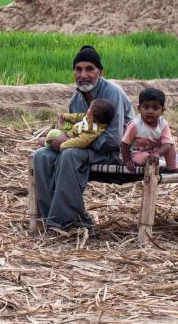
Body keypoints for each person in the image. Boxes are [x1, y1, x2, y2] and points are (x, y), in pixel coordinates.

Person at [31, 45, 132, 230]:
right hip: (84, 149)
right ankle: (51, 218)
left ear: (100, 72)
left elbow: (113, 140)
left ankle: (68, 221)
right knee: (42, 156)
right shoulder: (76, 99)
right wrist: (62, 138)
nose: (83, 74)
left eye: (89, 69)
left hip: (116, 154)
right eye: (78, 69)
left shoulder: (112, 92)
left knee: (70, 154)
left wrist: (72, 143)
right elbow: (75, 128)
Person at [121, 87, 178, 174]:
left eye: (155, 108)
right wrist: (127, 161)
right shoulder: (135, 124)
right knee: (146, 157)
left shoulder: (163, 124)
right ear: (139, 108)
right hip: (136, 154)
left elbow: (167, 144)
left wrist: (158, 153)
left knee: (171, 143)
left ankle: (172, 168)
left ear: (162, 111)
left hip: (154, 154)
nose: (150, 111)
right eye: (146, 107)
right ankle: (157, 164)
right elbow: (124, 144)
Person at [45, 99, 116, 152]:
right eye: (89, 108)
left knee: (53, 133)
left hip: (70, 137)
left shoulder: (93, 130)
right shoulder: (88, 117)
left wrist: (64, 143)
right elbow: (77, 116)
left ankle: (47, 144)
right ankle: (52, 138)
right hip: (71, 130)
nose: (87, 111)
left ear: (93, 117)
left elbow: (81, 141)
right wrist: (65, 116)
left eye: (89, 109)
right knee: (62, 126)